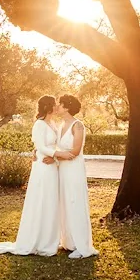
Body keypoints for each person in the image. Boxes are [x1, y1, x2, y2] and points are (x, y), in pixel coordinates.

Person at [0, 95, 61, 256]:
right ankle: (38, 239)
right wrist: (57, 155)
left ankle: (49, 238)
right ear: (47, 106)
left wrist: (56, 157)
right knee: (41, 199)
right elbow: (41, 146)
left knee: (51, 200)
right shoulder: (39, 124)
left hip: (52, 165)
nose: (57, 107)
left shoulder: (53, 123)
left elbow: (54, 144)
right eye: (54, 104)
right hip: (43, 165)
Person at [52, 94, 99, 259]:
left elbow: (75, 151)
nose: (57, 107)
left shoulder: (78, 125)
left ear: (66, 107)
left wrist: (54, 156)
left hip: (74, 169)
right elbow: (58, 149)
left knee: (75, 202)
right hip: (62, 169)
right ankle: (69, 241)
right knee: (65, 203)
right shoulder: (61, 125)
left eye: (59, 104)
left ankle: (82, 246)